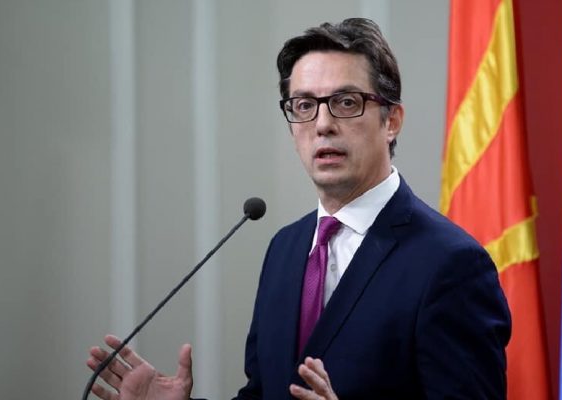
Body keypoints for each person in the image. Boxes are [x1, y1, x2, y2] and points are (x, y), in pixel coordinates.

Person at [87, 18, 511, 400]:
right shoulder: (285, 248)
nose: (322, 124)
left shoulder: (450, 263)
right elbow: (263, 393)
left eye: (347, 102)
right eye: (305, 106)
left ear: (392, 120)